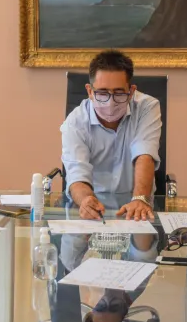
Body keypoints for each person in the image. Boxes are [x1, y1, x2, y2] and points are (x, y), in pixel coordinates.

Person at [60, 49, 162, 222]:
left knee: (144, 240)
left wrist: (139, 199)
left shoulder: (147, 107)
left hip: (138, 205)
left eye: (119, 93)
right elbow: (77, 174)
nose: (110, 101)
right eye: (102, 92)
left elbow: (144, 155)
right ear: (89, 91)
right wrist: (86, 200)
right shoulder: (75, 122)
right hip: (94, 207)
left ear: (131, 91)